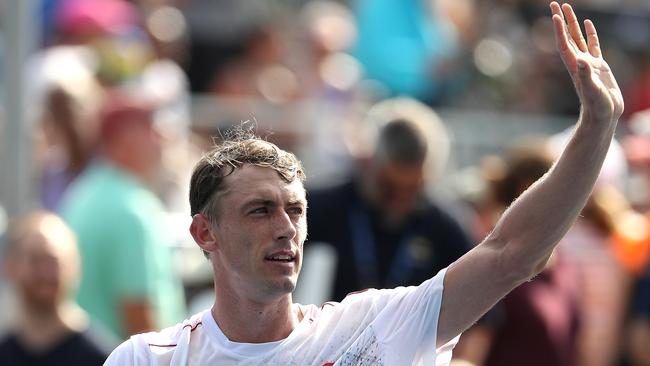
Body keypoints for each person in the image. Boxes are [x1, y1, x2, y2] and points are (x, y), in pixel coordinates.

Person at [104, 3, 624, 364]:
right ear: (204, 234)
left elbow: (513, 254)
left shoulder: (370, 329)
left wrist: (596, 128)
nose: (286, 228)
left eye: (296, 210)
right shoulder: (146, 358)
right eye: (260, 210)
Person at [307, 97, 473, 301]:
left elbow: (483, 317)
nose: (401, 199)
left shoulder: (444, 225)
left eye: (413, 189)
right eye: (389, 188)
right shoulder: (320, 207)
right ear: (367, 163)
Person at [60, 96, 186, 340]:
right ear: (122, 142)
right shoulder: (131, 209)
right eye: (150, 129)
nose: (163, 138)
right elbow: (139, 314)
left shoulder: (84, 191)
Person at [0, 211, 112, 365]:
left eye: (53, 261)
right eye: (35, 260)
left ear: (75, 266)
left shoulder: (104, 358)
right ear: (11, 266)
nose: (45, 273)